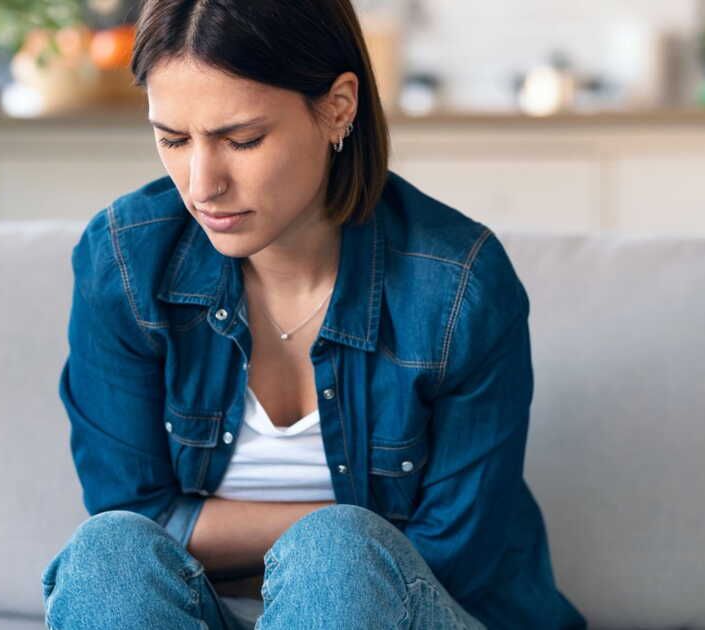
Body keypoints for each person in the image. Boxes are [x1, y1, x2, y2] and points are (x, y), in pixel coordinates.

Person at [41, 1, 588, 628]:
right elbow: (135, 510)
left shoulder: (458, 287)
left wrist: (328, 548)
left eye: (241, 139)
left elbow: (451, 554)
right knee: (108, 555)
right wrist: (339, 531)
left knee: (339, 559)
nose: (201, 184)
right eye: (172, 139)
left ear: (338, 106)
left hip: (411, 611)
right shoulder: (126, 262)